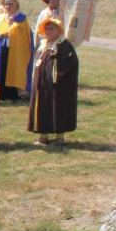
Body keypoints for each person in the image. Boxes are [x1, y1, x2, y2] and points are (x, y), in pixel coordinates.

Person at [29, 17, 79, 146]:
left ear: (59, 30)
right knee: (42, 107)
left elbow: (70, 64)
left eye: (52, 28)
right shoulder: (42, 44)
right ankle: (43, 135)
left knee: (58, 108)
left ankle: (59, 137)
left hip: (58, 86)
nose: (48, 30)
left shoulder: (64, 45)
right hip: (42, 84)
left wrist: (58, 76)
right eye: (46, 28)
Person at [0, 0, 33, 101]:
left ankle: (14, 94)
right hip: (2, 48)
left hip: (15, 49)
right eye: (6, 4)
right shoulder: (1, 18)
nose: (8, 6)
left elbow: (26, 36)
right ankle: (2, 94)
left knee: (14, 70)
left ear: (15, 5)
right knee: (2, 70)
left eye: (10, 4)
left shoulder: (21, 19)